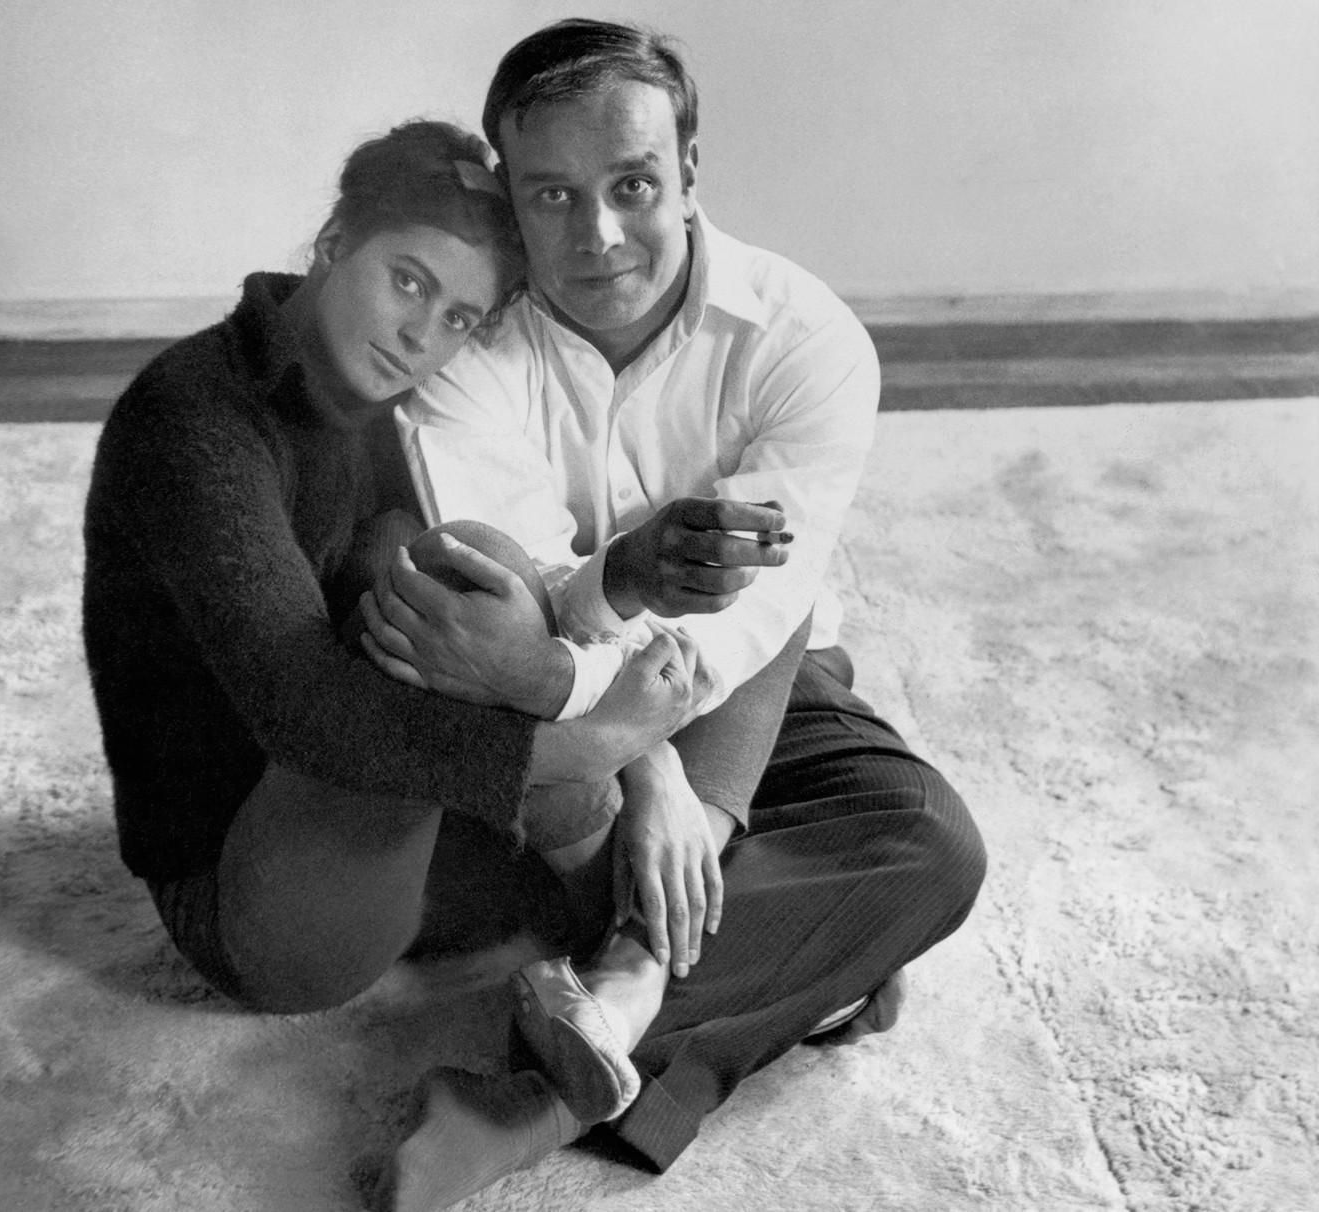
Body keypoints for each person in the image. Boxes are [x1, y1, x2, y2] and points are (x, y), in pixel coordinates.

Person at [359, 19, 989, 1211]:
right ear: (509, 194)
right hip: (537, 703)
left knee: (928, 845)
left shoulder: (806, 341)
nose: (596, 235)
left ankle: (560, 1068)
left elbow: (763, 621)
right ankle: (803, 959)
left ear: (690, 170)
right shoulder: (466, 344)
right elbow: (514, 603)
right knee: (474, 664)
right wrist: (645, 773)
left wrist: (688, 790)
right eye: (552, 195)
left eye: (633, 185)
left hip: (752, 677)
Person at [81, 120, 704, 1023]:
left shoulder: (379, 396)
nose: (420, 336)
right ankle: (630, 916)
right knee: (446, 576)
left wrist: (647, 766)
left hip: (384, 828)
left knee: (473, 562)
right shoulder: (193, 423)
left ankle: (659, 930)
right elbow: (306, 709)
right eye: (407, 281)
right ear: (333, 246)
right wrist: (594, 743)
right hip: (249, 900)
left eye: (459, 318)